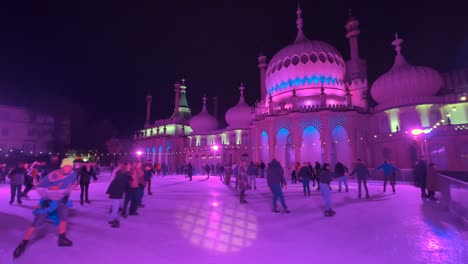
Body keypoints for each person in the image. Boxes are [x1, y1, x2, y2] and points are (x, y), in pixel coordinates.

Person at [13, 158, 78, 258]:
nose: (68, 168)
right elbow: (39, 187)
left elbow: (70, 185)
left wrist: (66, 195)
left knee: (64, 218)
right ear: (62, 166)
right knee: (37, 222)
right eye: (66, 166)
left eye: (70, 166)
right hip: (49, 200)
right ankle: (24, 243)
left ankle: (62, 238)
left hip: (62, 200)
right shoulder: (53, 175)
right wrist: (45, 198)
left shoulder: (73, 174)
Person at [106, 160, 131, 228]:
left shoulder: (125, 174)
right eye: (128, 166)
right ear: (125, 167)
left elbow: (127, 184)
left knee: (115, 206)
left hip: (119, 192)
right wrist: (108, 191)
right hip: (116, 192)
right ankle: (114, 220)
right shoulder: (120, 173)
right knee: (116, 207)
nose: (129, 167)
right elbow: (113, 182)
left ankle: (112, 219)